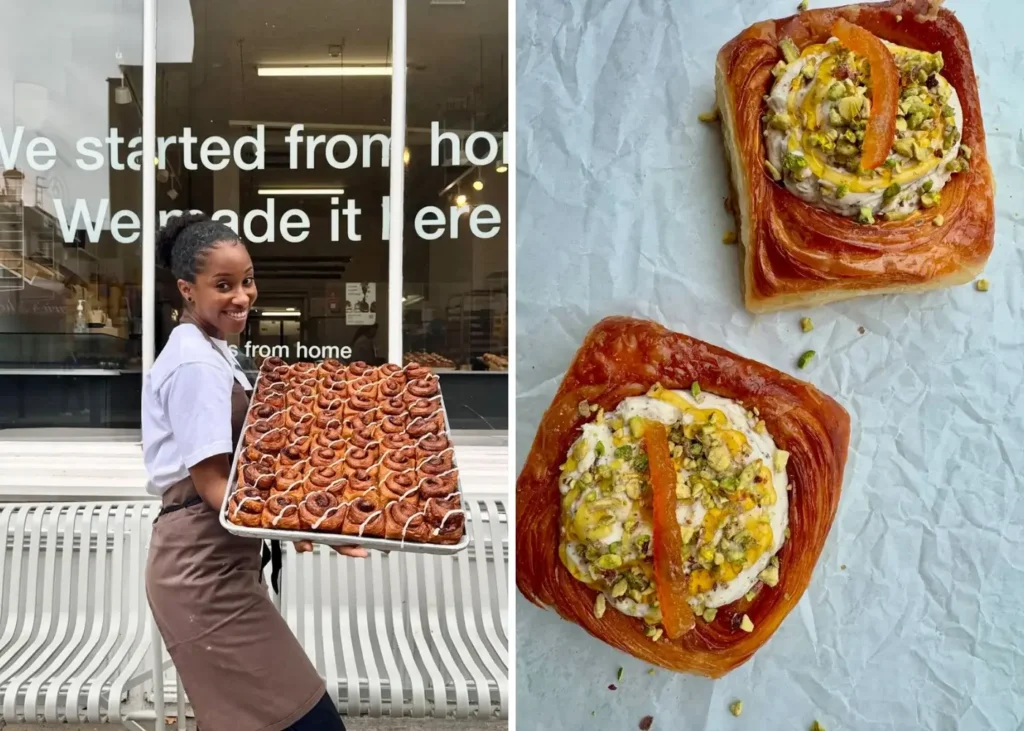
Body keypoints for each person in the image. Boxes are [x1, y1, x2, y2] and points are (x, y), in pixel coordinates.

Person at [142, 212, 366, 731]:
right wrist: (317, 526)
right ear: (186, 289)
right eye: (223, 285)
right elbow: (217, 488)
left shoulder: (211, 350)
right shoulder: (195, 365)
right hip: (200, 571)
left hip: (221, 562)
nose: (241, 296)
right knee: (308, 722)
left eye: (246, 280)